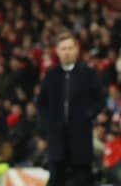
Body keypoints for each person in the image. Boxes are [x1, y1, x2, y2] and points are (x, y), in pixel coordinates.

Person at [37, 31, 105, 186]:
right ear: (57, 51)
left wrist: (88, 114)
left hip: (80, 139)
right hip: (57, 140)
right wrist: (48, 125)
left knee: (83, 179)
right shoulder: (51, 75)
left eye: (69, 48)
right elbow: (41, 104)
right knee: (55, 179)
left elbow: (100, 99)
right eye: (63, 49)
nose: (66, 52)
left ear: (77, 49)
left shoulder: (88, 73)